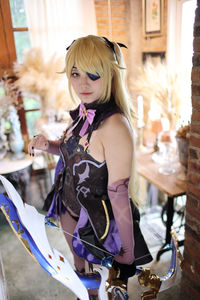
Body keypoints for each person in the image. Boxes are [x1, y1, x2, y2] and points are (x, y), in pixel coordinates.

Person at [28, 35, 152, 300]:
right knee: (82, 283)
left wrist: (127, 254)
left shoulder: (115, 127)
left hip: (97, 228)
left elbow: (119, 194)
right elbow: (70, 149)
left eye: (93, 75)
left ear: (109, 74)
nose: (82, 83)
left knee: (103, 289)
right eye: (75, 73)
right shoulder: (83, 111)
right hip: (68, 212)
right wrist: (47, 144)